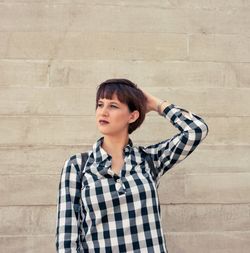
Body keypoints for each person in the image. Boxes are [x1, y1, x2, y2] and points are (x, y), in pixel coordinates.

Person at [55, 78, 209, 253]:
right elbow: (66, 238)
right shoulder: (78, 166)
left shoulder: (149, 160)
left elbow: (197, 130)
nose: (103, 112)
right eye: (100, 104)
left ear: (132, 116)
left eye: (113, 106)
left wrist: (156, 104)